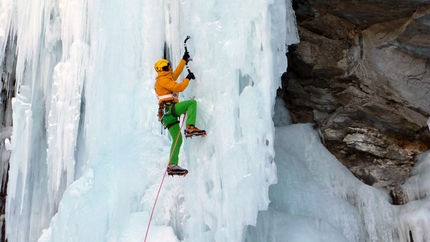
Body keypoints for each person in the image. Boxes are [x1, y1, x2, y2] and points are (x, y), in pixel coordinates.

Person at [154, 52, 206, 175]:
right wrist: (188, 78)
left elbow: (175, 74)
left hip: (166, 116)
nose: (170, 68)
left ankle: (172, 165)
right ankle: (190, 127)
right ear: (163, 69)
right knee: (191, 103)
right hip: (170, 110)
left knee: (177, 140)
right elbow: (179, 88)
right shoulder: (162, 80)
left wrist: (183, 60)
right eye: (168, 67)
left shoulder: (165, 78)